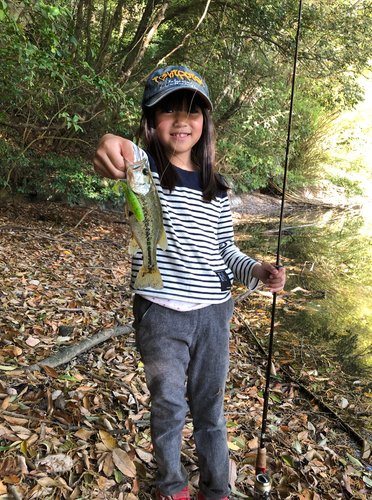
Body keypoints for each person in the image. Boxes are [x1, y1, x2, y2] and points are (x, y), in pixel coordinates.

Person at [94, 65, 286, 500]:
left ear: (206, 123)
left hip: (214, 315)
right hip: (160, 312)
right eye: (168, 111)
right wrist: (109, 144)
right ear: (150, 120)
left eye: (192, 111)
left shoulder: (218, 189)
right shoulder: (143, 173)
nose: (181, 121)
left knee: (210, 410)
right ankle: (171, 486)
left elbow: (227, 252)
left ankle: (216, 490)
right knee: (168, 407)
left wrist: (257, 270)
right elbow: (116, 150)